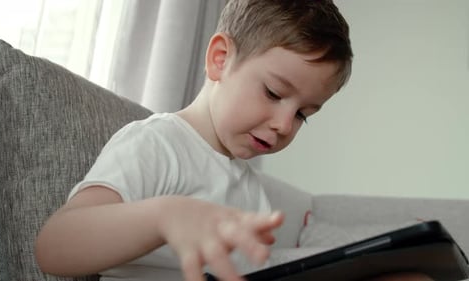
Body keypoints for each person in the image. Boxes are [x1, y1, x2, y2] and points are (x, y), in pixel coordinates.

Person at [35, 1, 433, 281]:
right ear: (221, 59)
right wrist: (165, 216)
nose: (283, 124)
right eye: (274, 94)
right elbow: (54, 246)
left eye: (302, 115)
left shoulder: (247, 185)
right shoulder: (158, 144)